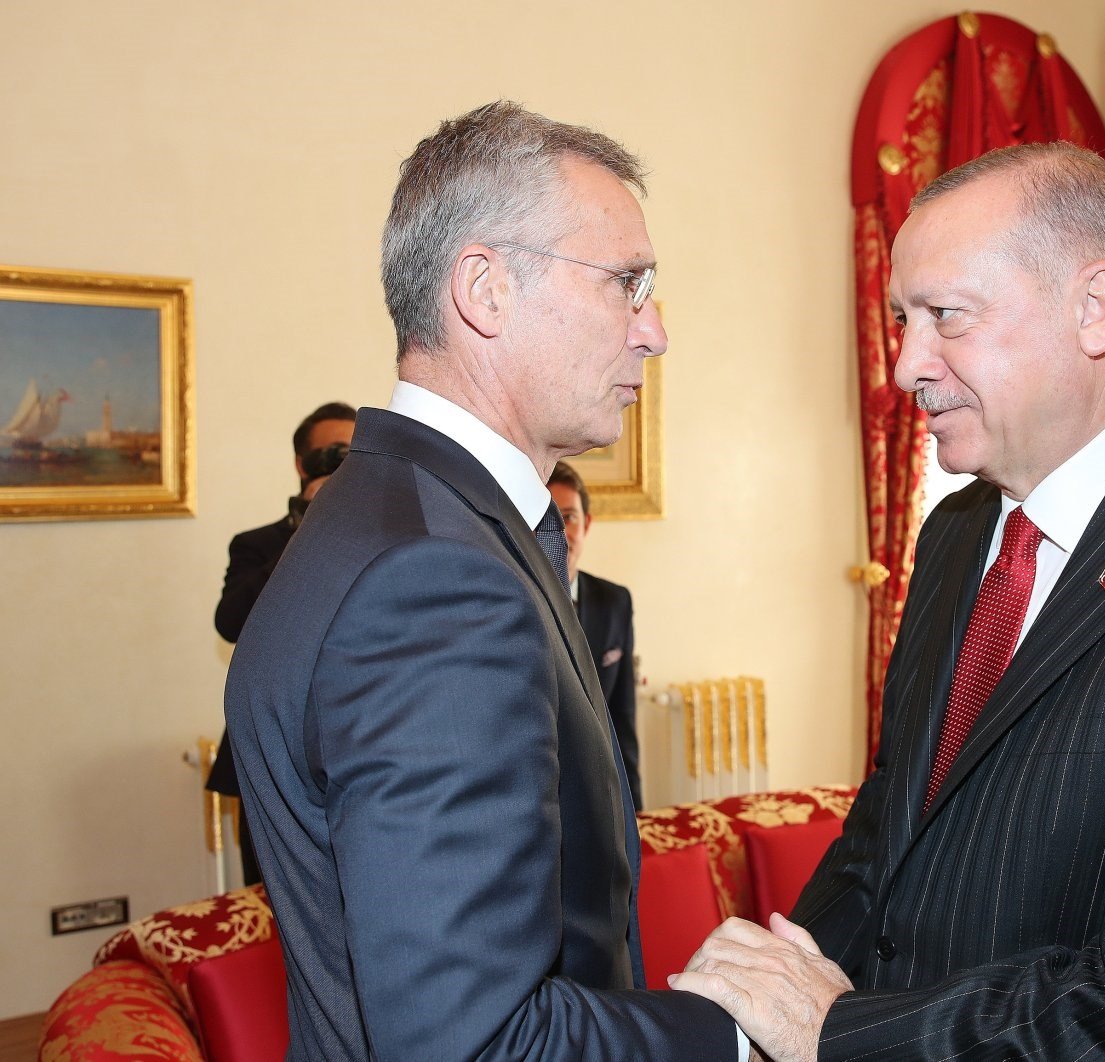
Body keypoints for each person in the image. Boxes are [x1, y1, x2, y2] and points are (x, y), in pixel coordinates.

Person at [673, 143, 1105, 1061]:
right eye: (900, 319)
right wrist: (769, 999)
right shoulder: (956, 533)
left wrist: (848, 1037)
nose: (903, 366)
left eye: (945, 318)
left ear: (1093, 308)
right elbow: (890, 830)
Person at [225, 102, 736, 1060]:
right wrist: (735, 1034)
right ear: (485, 289)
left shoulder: (387, 511)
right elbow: (477, 1039)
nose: (656, 330)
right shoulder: (435, 580)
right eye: (628, 283)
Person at [208, 401, 355, 886]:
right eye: (329, 452)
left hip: (360, 753)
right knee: (271, 912)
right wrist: (310, 526)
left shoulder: (387, 533)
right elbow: (231, 623)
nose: (340, 462)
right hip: (274, 757)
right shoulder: (259, 545)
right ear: (301, 463)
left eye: (351, 452)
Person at [549, 459, 641, 808]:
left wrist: (636, 814)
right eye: (548, 518)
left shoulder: (616, 601)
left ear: (586, 524)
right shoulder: (512, 601)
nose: (559, 531)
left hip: (602, 797)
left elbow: (623, 720)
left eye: (569, 517)